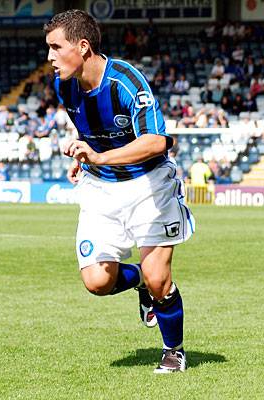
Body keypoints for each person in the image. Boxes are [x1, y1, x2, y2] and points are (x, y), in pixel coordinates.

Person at [45, 10, 194, 373]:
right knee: (97, 282)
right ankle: (140, 280)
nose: (49, 57)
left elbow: (156, 141)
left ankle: (173, 349)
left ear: (82, 47)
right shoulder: (65, 84)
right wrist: (84, 153)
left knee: (161, 278)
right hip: (101, 185)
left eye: (55, 47)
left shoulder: (126, 81)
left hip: (149, 185)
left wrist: (99, 155)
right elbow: (91, 128)